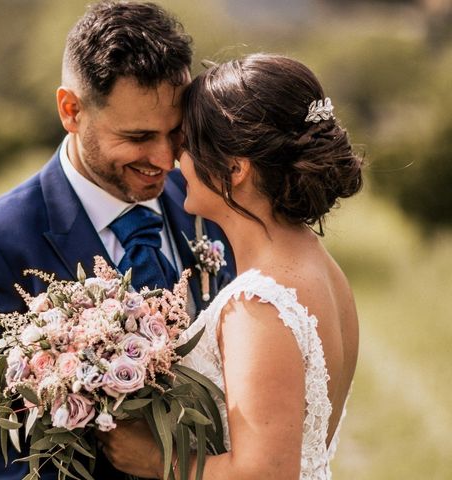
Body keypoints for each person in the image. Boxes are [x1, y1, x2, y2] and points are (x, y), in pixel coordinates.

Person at [0, 2, 236, 479]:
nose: (164, 159)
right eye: (138, 136)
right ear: (70, 110)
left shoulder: (208, 203)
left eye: (174, 133)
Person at [98, 53, 362, 479]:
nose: (172, 162)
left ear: (235, 168)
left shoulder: (259, 302)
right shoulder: (325, 269)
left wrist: (154, 460)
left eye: (185, 147)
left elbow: (265, 473)